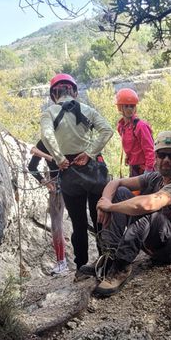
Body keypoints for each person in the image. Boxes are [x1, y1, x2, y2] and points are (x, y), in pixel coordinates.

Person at [93, 130, 171, 297]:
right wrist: (105, 201)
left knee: (151, 213)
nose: (166, 160)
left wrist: (110, 207)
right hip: (156, 238)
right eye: (162, 155)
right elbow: (116, 182)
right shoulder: (155, 178)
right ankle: (110, 255)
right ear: (156, 157)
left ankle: (120, 267)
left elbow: (149, 204)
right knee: (120, 192)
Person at [40, 73, 114, 281]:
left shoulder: (49, 113)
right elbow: (106, 130)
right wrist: (90, 152)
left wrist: (59, 158)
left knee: (78, 223)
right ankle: (105, 263)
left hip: (69, 171)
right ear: (73, 91)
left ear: (54, 94)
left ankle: (81, 267)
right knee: (101, 218)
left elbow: (46, 135)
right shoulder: (87, 110)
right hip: (92, 168)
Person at [28, 140, 68, 276]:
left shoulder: (61, 136)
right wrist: (44, 181)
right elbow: (32, 166)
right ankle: (61, 261)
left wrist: (42, 154)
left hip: (67, 181)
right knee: (56, 225)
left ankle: (63, 262)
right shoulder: (45, 142)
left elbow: (33, 165)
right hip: (58, 184)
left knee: (59, 224)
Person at [115, 87, 155, 176]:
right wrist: (129, 157)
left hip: (144, 169)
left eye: (132, 106)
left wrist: (148, 171)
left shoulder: (140, 126)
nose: (130, 109)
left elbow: (150, 150)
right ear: (120, 108)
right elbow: (132, 146)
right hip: (134, 167)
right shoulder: (121, 127)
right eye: (126, 106)